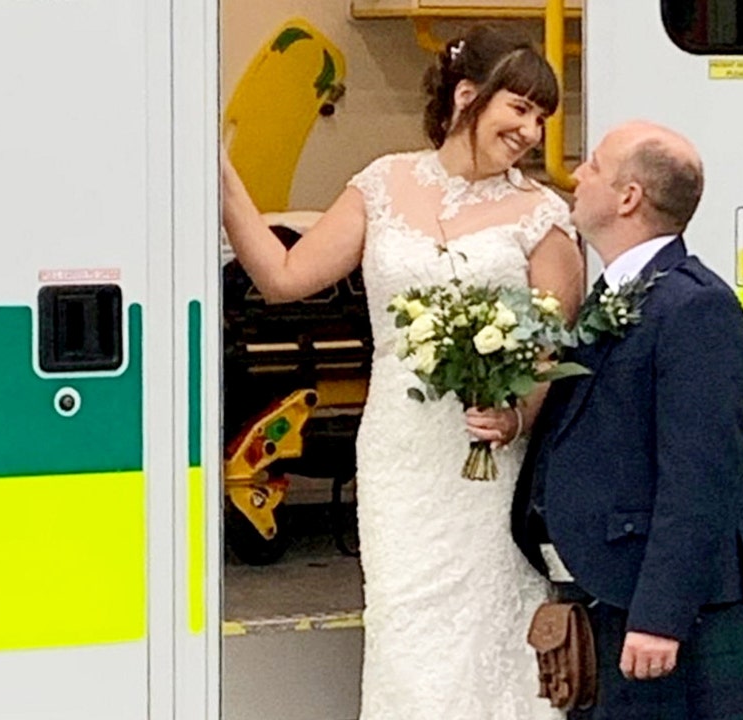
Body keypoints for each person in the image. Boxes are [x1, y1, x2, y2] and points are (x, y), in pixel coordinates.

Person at [220, 23, 584, 720]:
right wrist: (224, 180)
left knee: (489, 625)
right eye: (521, 109)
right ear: (469, 97)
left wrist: (515, 415)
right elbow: (285, 276)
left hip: (486, 457)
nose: (533, 131)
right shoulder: (381, 182)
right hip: (400, 450)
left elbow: (551, 343)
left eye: (541, 117)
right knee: (405, 628)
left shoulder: (541, 212)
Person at [513, 121, 743, 719]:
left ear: (629, 197)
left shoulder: (695, 307)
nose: (576, 173)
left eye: (595, 166)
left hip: (657, 617)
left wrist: (660, 617)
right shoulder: (614, 296)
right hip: (610, 596)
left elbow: (699, 479)